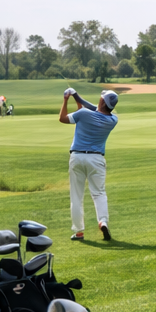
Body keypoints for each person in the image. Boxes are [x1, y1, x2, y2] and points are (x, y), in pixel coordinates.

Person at [59, 88, 119, 241]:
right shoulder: (113, 120)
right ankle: (103, 221)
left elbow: (63, 118)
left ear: (102, 102)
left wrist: (67, 99)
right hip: (97, 160)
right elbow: (94, 109)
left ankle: (79, 231)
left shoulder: (83, 113)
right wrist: (76, 96)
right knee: (99, 193)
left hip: (77, 157)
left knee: (76, 196)